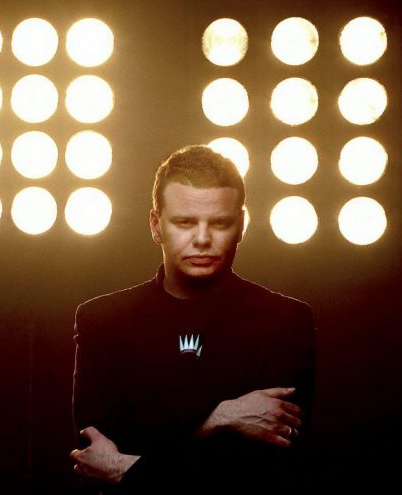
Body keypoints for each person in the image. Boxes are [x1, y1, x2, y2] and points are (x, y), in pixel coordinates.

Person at [70, 145, 316, 492]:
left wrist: (127, 469)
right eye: (185, 222)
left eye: (219, 223)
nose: (202, 239)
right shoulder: (102, 321)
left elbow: (259, 472)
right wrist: (220, 418)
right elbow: (95, 450)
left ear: (241, 225)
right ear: (156, 225)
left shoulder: (286, 321)